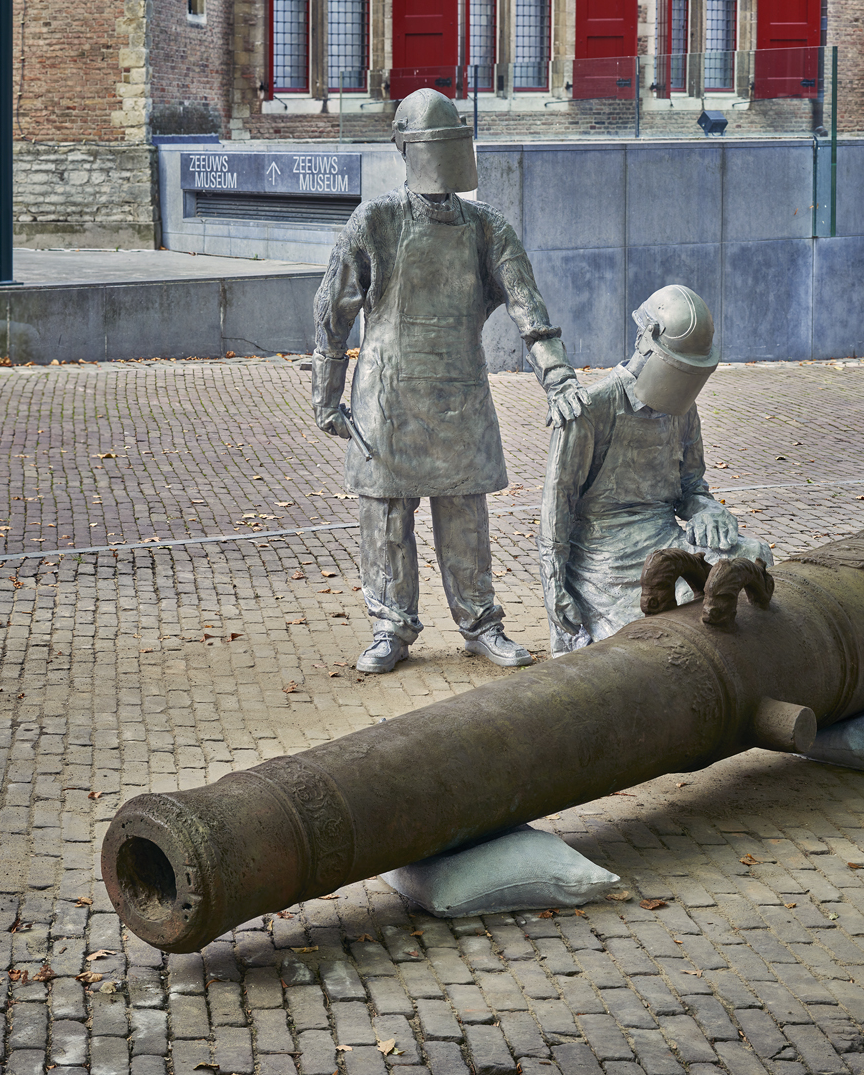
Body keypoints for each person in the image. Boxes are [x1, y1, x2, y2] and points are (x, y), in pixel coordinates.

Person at [311, 88, 586, 674]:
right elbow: (332, 313)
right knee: (386, 516)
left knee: (465, 514)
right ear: (406, 148)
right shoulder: (376, 222)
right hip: (387, 397)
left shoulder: (488, 228)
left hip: (459, 391)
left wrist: (558, 378)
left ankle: (480, 622)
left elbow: (529, 312)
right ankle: (391, 625)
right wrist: (327, 396)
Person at [538, 285, 772, 654]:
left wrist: (708, 511)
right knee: (653, 637)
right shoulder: (590, 410)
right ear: (647, 340)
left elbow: (692, 485)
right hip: (605, 559)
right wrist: (555, 590)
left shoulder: (683, 409)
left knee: (747, 561)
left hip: (666, 540)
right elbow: (557, 511)